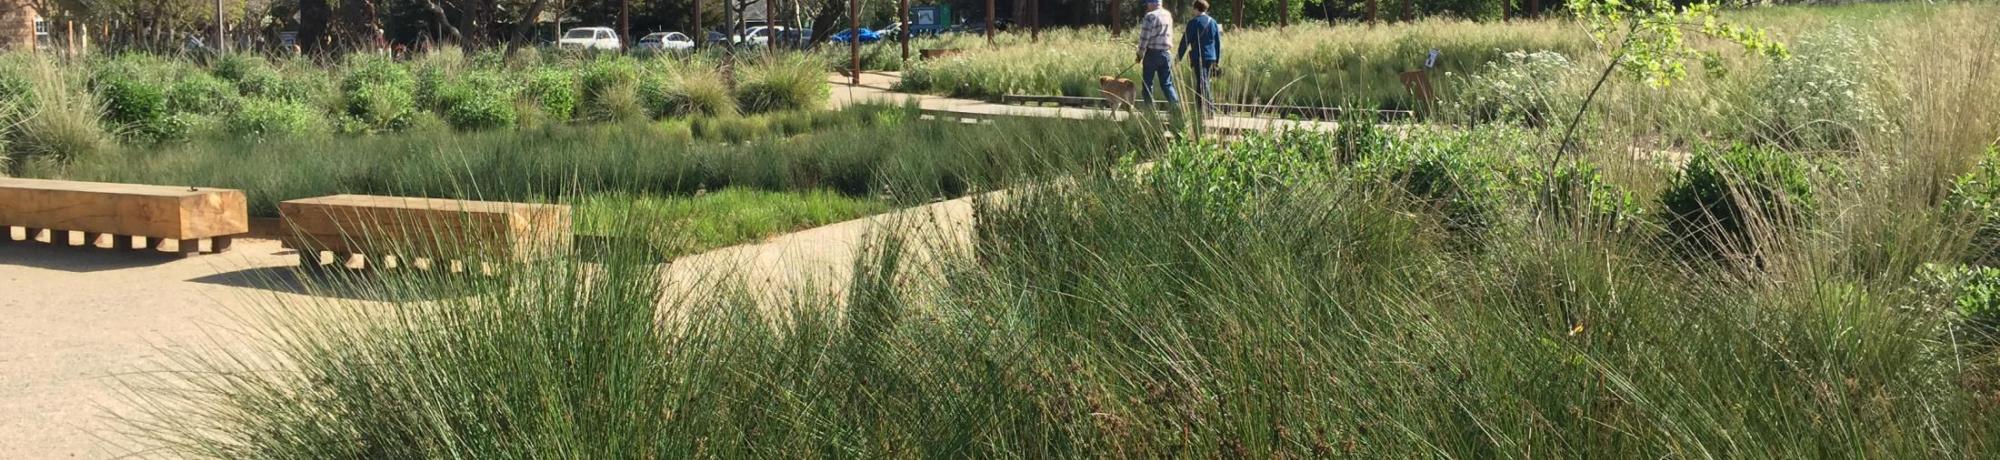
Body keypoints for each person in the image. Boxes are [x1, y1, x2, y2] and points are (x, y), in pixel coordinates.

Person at [1177, 0, 1223, 115]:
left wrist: (1178, 58)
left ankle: (1209, 109)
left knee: (1203, 82)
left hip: (1199, 57)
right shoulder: (1213, 22)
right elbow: (1217, 42)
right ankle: (1199, 109)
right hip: (1211, 57)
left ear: (1196, 8)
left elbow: (1185, 41)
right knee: (1202, 82)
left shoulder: (1194, 22)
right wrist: (1217, 60)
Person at [1135, 0, 1177, 104]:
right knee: (1167, 84)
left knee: (1147, 84)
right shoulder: (1168, 14)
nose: (1147, 6)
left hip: (1152, 54)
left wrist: (1140, 55)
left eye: (1148, 4)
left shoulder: (1150, 16)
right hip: (1166, 53)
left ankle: (1150, 112)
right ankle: (1176, 109)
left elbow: (1144, 38)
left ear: (1152, 3)